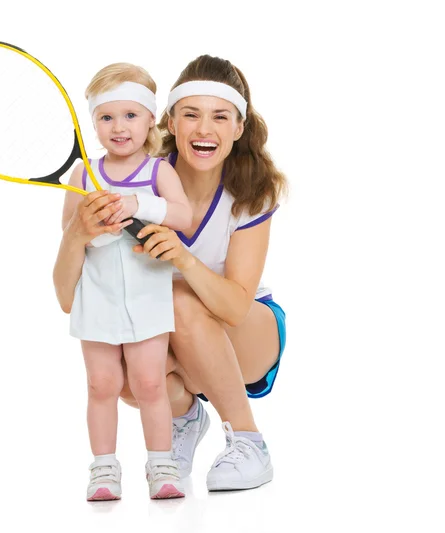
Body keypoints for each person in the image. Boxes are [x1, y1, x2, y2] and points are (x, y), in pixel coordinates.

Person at [116, 55, 289, 492]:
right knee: (123, 376)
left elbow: (234, 306)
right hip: (173, 330)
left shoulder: (251, 191)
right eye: (190, 114)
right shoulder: (139, 184)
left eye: (219, 116)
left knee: (179, 297)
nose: (203, 129)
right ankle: (185, 417)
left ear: (239, 127)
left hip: (248, 329)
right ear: (170, 124)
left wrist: (183, 259)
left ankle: (249, 442)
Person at [53, 63, 192, 501]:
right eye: (106, 117)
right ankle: (104, 470)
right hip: (97, 297)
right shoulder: (83, 173)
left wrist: (138, 204)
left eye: (130, 115)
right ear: (93, 122)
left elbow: (182, 216)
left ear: (152, 118)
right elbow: (69, 232)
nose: (119, 127)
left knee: (150, 383)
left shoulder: (159, 171)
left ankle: (162, 465)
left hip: (148, 295)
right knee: (102, 385)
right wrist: (93, 227)